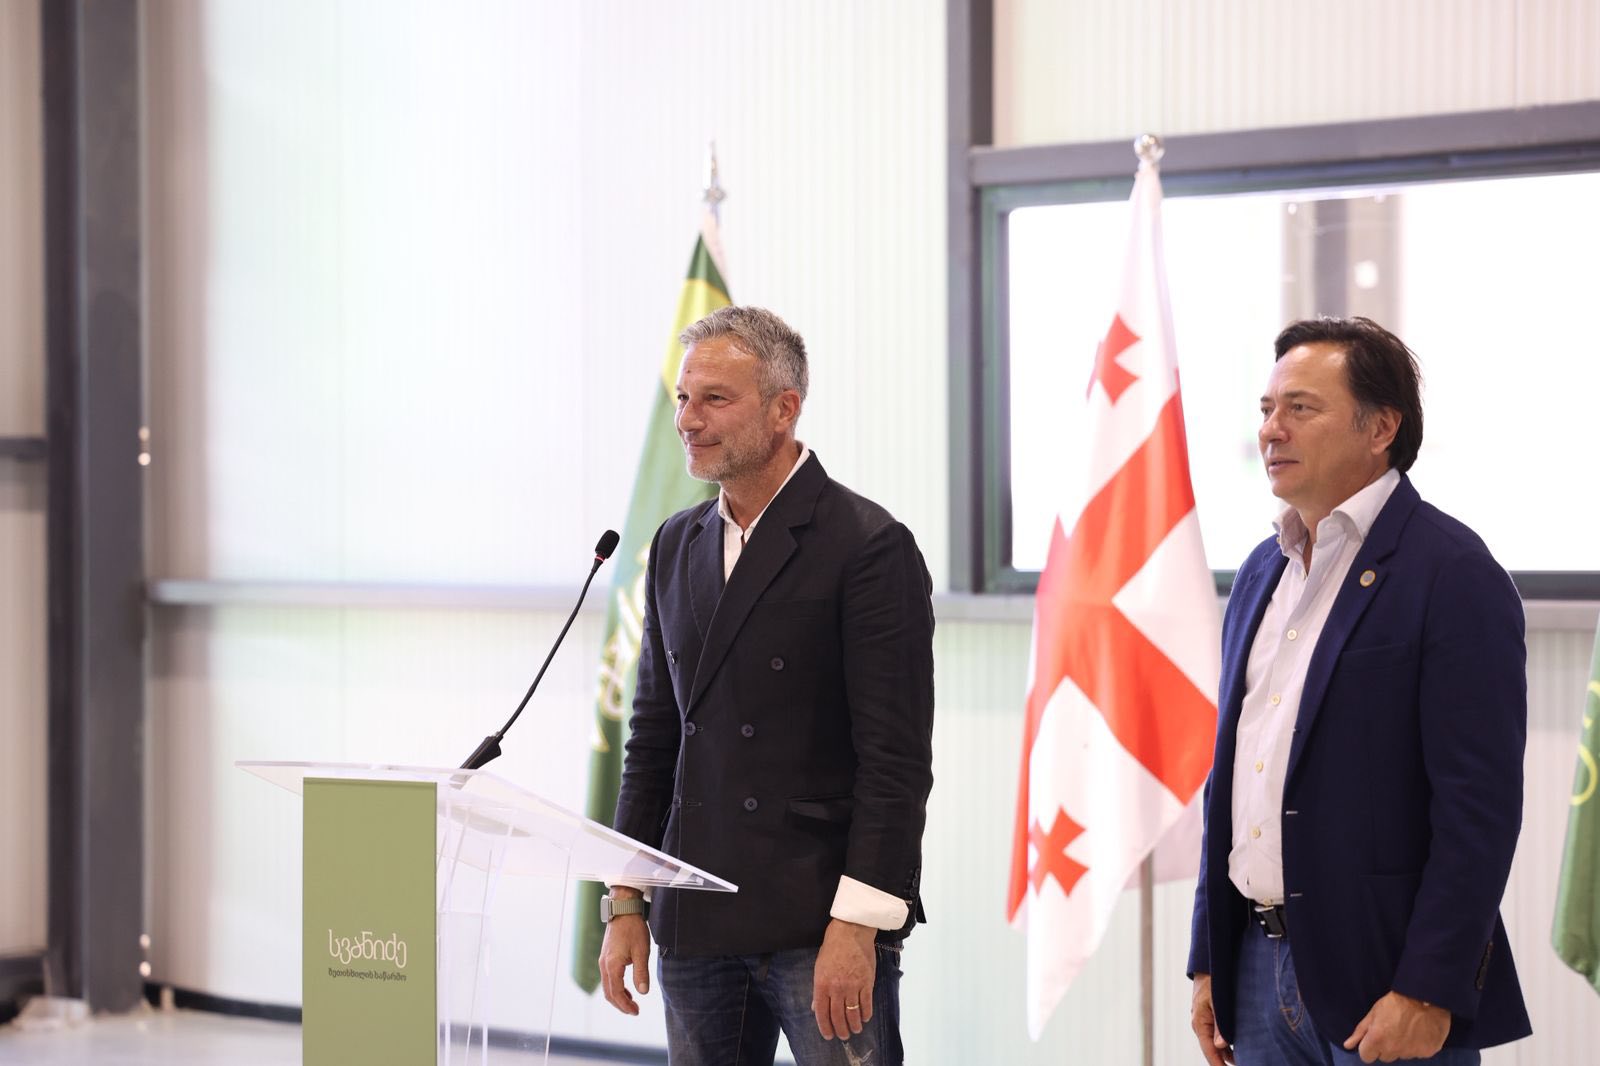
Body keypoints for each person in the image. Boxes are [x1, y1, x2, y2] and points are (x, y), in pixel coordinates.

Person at [1187, 317, 1531, 1065]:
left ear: (1381, 428)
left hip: (1386, 983)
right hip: (1253, 965)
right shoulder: (1261, 571)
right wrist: (1209, 955)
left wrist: (1430, 989)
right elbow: (1234, 776)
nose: (1271, 429)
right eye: (1266, 409)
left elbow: (1479, 809)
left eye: (1300, 408)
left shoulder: (1453, 572)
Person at [598, 305, 934, 1065]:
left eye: (715, 399)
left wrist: (858, 925)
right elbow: (653, 741)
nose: (688, 420)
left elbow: (895, 762)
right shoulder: (675, 543)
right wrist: (626, 897)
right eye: (683, 398)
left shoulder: (868, 545)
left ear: (785, 409)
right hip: (696, 917)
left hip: (819, 919)